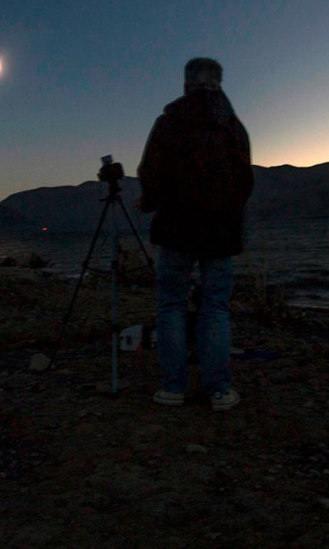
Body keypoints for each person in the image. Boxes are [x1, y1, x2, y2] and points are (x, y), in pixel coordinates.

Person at [136, 57, 253, 411]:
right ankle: (218, 390)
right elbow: (244, 181)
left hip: (175, 229)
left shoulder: (168, 124)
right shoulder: (233, 127)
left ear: (186, 84)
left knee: (171, 305)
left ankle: (173, 388)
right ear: (219, 84)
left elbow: (150, 173)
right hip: (220, 231)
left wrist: (150, 202)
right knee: (215, 308)